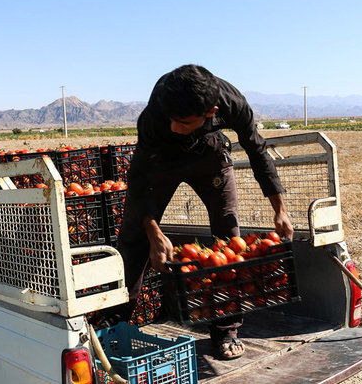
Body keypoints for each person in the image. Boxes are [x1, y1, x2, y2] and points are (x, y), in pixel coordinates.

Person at [115, 64, 294, 360]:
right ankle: (117, 321)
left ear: (210, 111)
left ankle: (226, 329)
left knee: (227, 238)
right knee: (134, 239)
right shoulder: (157, 113)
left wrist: (280, 210)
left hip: (210, 156)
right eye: (171, 120)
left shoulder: (232, 102)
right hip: (162, 162)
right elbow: (139, 176)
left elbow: (256, 148)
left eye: (183, 122)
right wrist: (153, 231)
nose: (174, 127)